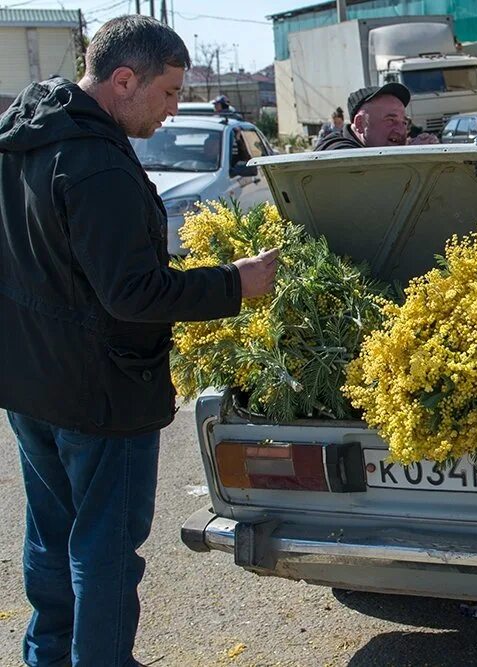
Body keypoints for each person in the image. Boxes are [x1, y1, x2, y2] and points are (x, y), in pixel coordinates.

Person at [0, 15, 278, 666]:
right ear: (125, 80)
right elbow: (133, 293)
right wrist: (234, 284)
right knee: (102, 547)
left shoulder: (23, 140)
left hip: (29, 383)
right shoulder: (95, 163)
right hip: (100, 395)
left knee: (52, 538)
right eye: (170, 93)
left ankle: (50, 656)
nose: (174, 108)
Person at [314, 82, 439, 150]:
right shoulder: (336, 150)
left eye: (404, 122)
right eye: (390, 120)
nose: (401, 131)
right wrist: (412, 155)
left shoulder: (374, 148)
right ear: (360, 124)